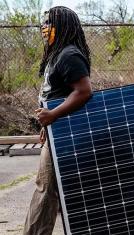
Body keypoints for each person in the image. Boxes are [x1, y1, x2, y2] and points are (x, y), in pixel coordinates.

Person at [23, 6, 92, 235]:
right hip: (56, 130)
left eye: (49, 23)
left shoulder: (68, 54)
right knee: (47, 189)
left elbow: (83, 91)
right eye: (43, 23)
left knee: (46, 191)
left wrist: (53, 115)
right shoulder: (57, 53)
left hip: (64, 132)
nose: (44, 27)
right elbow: (57, 94)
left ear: (61, 26)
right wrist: (47, 123)